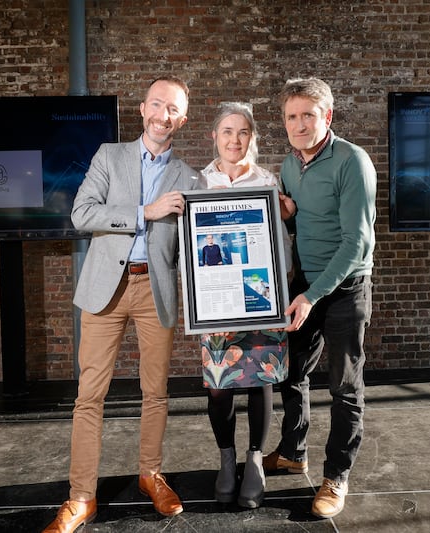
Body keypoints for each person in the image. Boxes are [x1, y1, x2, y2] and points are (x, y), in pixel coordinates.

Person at [42, 76, 201, 533]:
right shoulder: (109, 156)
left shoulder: (189, 178)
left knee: (156, 393)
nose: (162, 115)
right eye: (156, 105)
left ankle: (150, 474)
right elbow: (82, 213)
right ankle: (81, 497)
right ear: (142, 108)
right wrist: (143, 214)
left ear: (182, 119)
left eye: (172, 109)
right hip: (105, 290)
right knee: (89, 396)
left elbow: (203, 241)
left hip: (157, 291)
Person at [263, 78, 376, 519]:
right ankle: (293, 451)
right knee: (290, 372)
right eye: (291, 117)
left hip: (345, 288)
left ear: (327, 116)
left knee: (345, 386)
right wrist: (288, 220)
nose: (299, 124)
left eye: (308, 115)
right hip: (306, 284)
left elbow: (356, 245)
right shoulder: (290, 166)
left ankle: (336, 476)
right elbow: (303, 230)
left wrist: (310, 295)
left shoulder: (352, 161)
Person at [199, 102, 292, 509]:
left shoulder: (268, 180)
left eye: (243, 133)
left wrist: (285, 215)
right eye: (227, 132)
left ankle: (255, 458)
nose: (235, 140)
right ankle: (226, 457)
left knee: (260, 379)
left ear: (252, 138)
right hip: (216, 301)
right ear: (214, 137)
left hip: (261, 296)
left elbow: (282, 243)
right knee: (220, 385)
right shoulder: (197, 183)